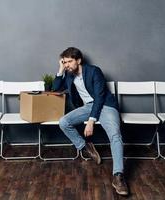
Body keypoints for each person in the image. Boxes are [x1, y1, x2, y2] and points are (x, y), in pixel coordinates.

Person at [52, 47, 128, 196]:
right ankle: (86, 146)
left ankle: (118, 176)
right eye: (64, 62)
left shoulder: (94, 71)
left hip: (106, 106)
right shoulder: (68, 74)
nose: (67, 64)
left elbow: (99, 97)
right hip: (87, 107)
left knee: (115, 135)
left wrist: (91, 121)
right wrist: (60, 69)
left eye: (69, 61)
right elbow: (55, 89)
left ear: (78, 60)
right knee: (63, 122)